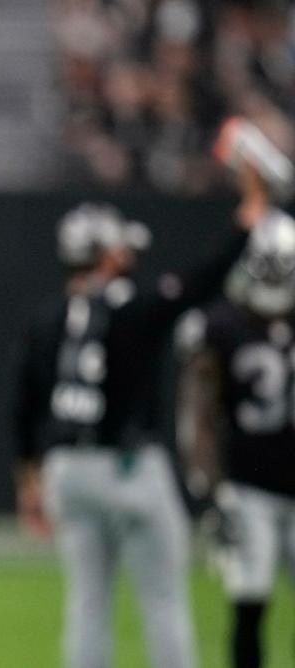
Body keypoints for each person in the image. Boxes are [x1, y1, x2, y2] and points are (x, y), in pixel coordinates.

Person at [13, 165, 265, 667]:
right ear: (107, 254)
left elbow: (24, 406)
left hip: (68, 471)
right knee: (163, 601)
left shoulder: (47, 320)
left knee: (88, 605)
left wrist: (29, 482)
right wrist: (248, 218)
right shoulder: (135, 308)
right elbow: (201, 281)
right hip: (130, 469)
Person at [175, 210, 295, 668]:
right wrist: (211, 486)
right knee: (250, 601)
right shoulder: (221, 326)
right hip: (249, 485)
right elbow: (198, 413)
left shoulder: (219, 324)